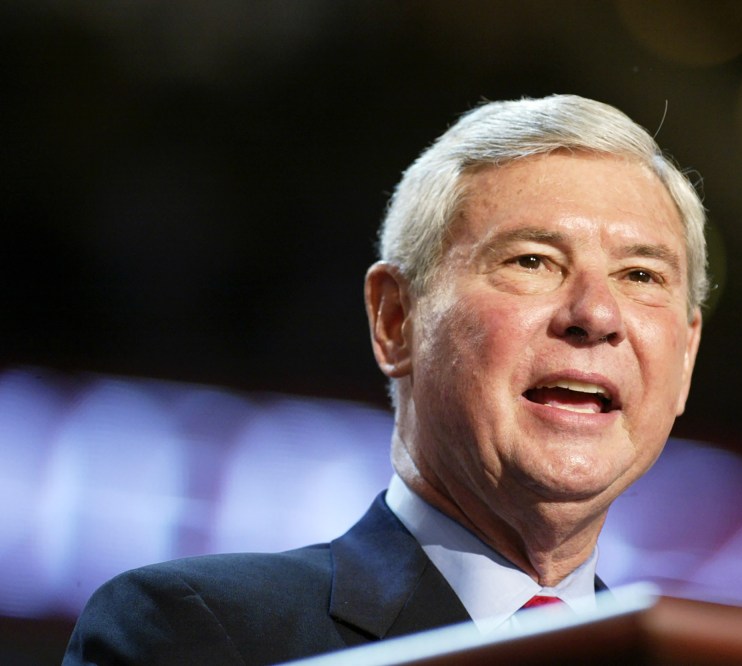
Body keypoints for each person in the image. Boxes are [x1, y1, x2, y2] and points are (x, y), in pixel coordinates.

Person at [63, 94, 707, 665]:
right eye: (533, 261)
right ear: (396, 320)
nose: (596, 315)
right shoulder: (198, 634)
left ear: (685, 358)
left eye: (641, 276)